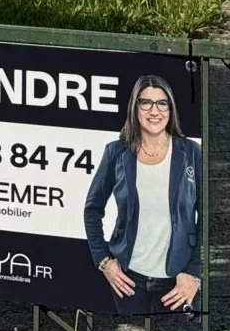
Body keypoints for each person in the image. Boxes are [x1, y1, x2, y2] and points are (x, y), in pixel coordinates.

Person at [82, 74, 201, 314]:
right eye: (145, 102)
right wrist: (104, 262)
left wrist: (194, 274)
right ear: (135, 107)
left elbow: (209, 218)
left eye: (162, 103)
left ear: (171, 109)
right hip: (128, 282)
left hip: (178, 282)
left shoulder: (190, 152)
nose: (154, 111)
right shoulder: (116, 152)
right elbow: (92, 210)